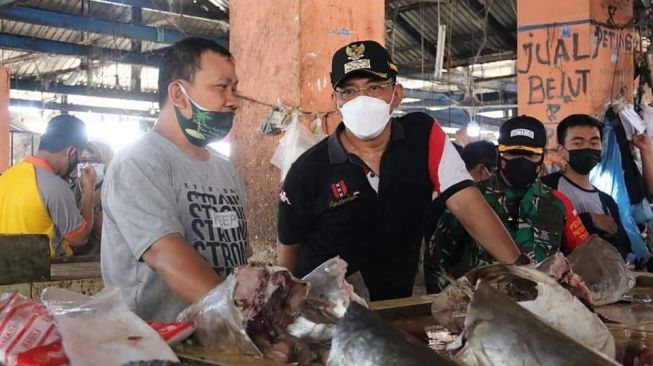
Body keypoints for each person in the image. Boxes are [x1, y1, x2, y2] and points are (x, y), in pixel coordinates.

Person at [276, 40, 523, 301]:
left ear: (397, 94)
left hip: (396, 311)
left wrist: (523, 269)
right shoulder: (308, 170)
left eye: (374, 88)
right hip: (329, 321)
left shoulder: (422, 136)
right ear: (335, 101)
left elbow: (466, 205)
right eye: (348, 91)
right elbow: (288, 255)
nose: (362, 100)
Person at [101, 37, 250, 321]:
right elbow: (165, 255)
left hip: (216, 340)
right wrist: (243, 318)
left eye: (234, 89)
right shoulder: (139, 160)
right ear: (179, 95)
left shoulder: (225, 169)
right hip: (156, 343)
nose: (232, 101)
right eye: (221, 87)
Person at [425, 115, 590, 293]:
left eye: (530, 154)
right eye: (512, 152)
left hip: (542, 310)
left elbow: (583, 258)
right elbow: (437, 263)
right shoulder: (471, 199)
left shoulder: (557, 204)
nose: (521, 160)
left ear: (542, 156)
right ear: (499, 153)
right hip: (480, 311)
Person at [0, 115, 96, 257]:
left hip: (8, 268)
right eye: (78, 158)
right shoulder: (55, 187)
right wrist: (90, 191)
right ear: (71, 152)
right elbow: (80, 238)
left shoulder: (7, 176)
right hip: (42, 271)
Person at [541, 114, 631, 258]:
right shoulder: (545, 187)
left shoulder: (607, 202)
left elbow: (624, 250)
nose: (587, 148)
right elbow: (541, 236)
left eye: (594, 143)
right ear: (561, 151)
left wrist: (615, 233)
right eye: (578, 143)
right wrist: (589, 220)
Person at [71, 141, 114, 255]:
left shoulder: (115, 190)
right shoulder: (76, 188)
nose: (86, 166)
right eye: (83, 161)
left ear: (107, 162)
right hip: (77, 258)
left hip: (105, 258)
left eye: (94, 161)